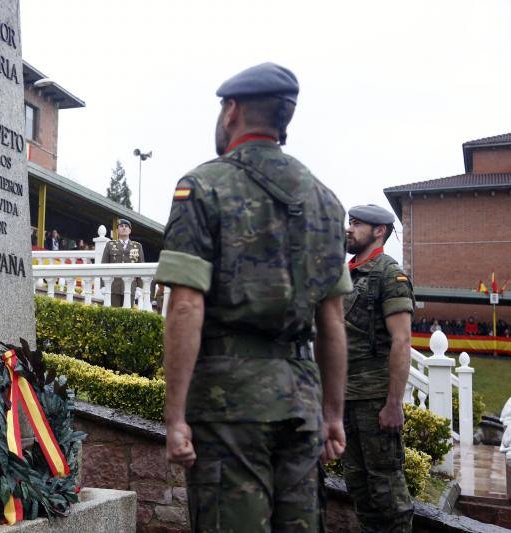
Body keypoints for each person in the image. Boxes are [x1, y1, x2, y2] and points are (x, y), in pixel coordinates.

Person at [155, 62, 350, 532]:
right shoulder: (326, 202)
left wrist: (175, 416)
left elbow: (185, 305)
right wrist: (332, 415)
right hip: (301, 404)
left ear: (232, 111)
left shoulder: (202, 188)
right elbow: (333, 322)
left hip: (229, 407)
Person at [343, 204, 415, 532]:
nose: (349, 228)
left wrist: (393, 404)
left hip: (375, 399)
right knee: (358, 485)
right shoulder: (345, 274)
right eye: (349, 222)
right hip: (345, 397)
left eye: (357, 224)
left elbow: (401, 341)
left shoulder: (389, 273)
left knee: (387, 489)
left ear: (379, 231)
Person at [102, 219, 145, 307]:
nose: (124, 228)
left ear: (130, 230)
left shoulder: (137, 246)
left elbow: (141, 267)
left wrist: (139, 287)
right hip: (114, 286)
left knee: (128, 316)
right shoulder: (110, 245)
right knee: (113, 314)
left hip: (131, 286)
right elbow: (104, 266)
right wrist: (103, 285)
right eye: (121, 226)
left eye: (126, 227)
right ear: (117, 230)